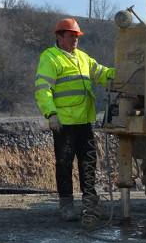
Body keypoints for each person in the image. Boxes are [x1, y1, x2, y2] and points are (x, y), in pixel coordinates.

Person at [34, 18, 115, 228]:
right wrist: (50, 114)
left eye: (77, 37)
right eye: (71, 36)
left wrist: (122, 72)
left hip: (84, 122)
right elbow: (43, 89)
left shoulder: (83, 58)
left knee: (88, 162)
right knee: (64, 163)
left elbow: (102, 74)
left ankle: (90, 204)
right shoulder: (51, 58)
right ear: (59, 37)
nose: (75, 41)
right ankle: (66, 205)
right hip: (64, 123)